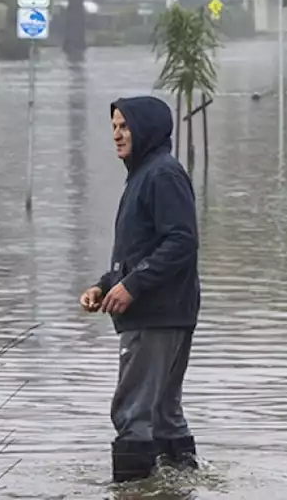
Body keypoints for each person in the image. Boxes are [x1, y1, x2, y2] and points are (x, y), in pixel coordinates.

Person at [79, 96, 201, 483]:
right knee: (164, 415)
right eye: (114, 127)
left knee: (133, 414)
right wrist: (105, 285)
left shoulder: (161, 174)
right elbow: (142, 249)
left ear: (146, 128)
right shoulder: (144, 175)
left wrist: (132, 286)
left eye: (125, 126)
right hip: (165, 311)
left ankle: (132, 491)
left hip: (155, 314)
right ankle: (179, 487)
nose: (117, 134)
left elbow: (182, 241)